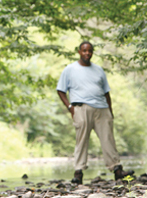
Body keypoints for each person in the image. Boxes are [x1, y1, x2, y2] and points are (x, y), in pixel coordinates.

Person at [56, 41, 134, 184]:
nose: (87, 53)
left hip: (102, 109)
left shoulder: (98, 70)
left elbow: (106, 92)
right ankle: (78, 172)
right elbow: (60, 90)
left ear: (92, 52)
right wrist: (69, 107)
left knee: (108, 139)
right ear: (79, 52)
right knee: (82, 140)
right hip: (81, 108)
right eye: (84, 50)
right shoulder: (70, 69)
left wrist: (110, 111)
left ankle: (117, 170)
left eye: (90, 51)